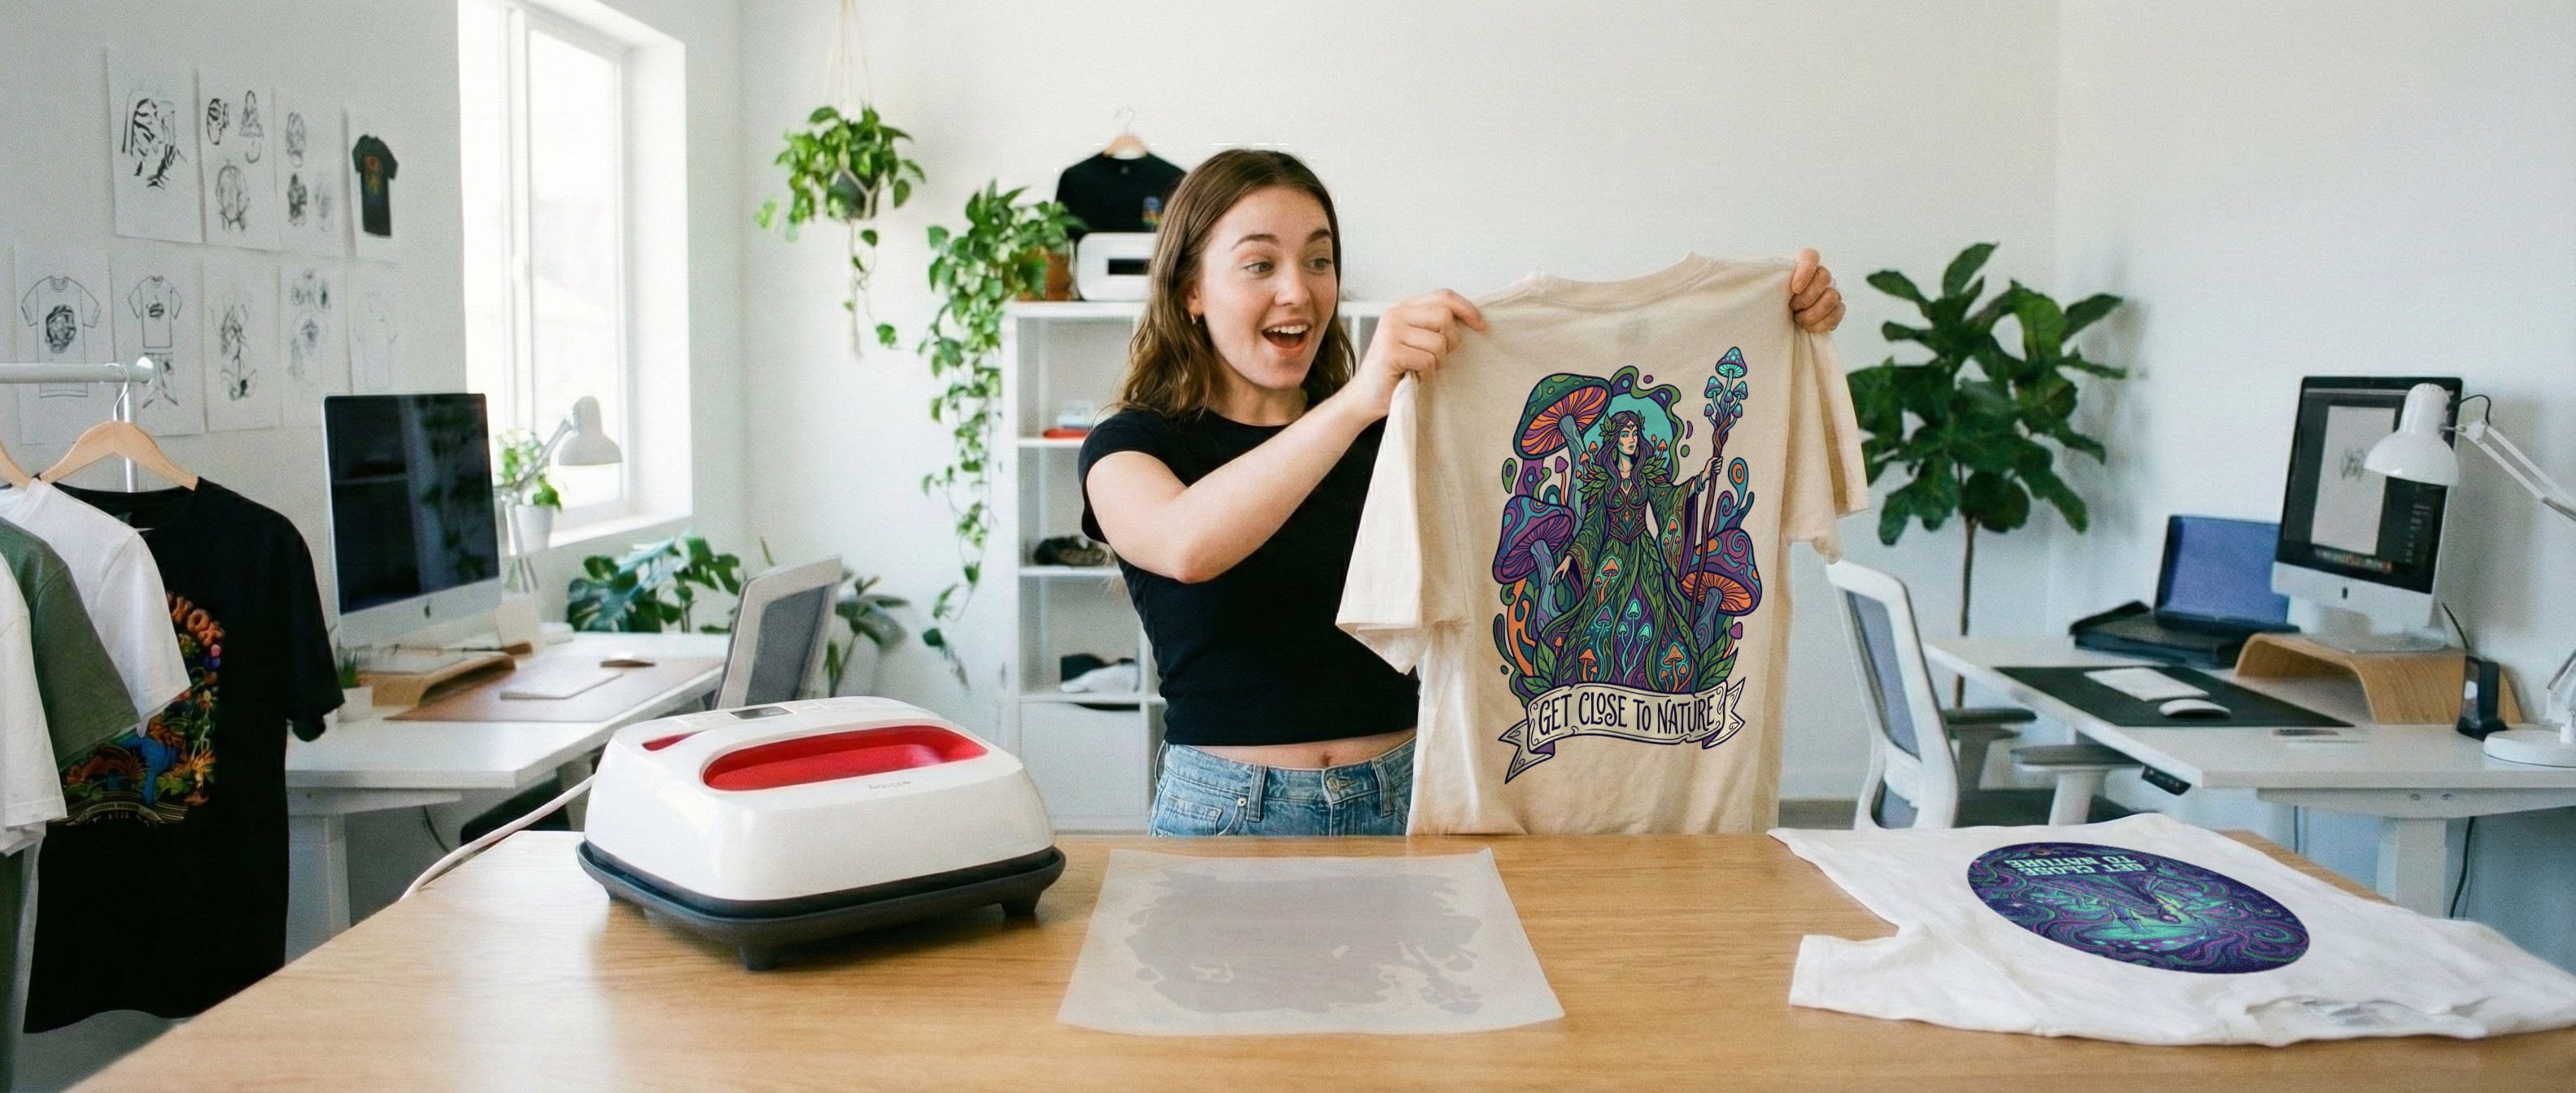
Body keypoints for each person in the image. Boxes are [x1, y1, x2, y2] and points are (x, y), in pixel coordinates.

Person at [1077, 149, 1844, 837]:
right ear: (1190, 292)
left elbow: (1612, 372)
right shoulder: (1132, 446)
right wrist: (1356, 402)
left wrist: (1770, 319)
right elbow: (1186, 546)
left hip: (1409, 797)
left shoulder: (1400, 433)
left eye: (1319, 261)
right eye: (1259, 265)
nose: (1299, 291)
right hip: (1229, 813)